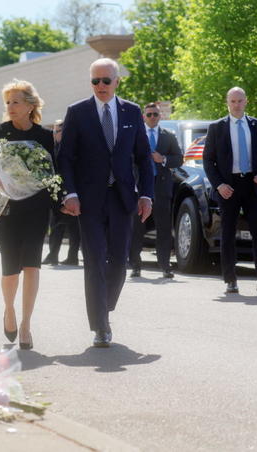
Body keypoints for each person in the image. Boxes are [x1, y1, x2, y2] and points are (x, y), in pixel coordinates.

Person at [59, 58, 153, 348]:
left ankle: (104, 305)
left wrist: (146, 194)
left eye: (106, 81)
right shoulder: (77, 112)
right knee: (95, 260)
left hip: (123, 198)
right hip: (89, 201)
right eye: (95, 81)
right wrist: (70, 193)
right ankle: (101, 325)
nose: (100, 86)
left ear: (116, 81)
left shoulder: (132, 111)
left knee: (119, 261)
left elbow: (142, 157)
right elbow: (65, 158)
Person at [0, 79, 54, 351]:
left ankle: (26, 325)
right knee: (10, 267)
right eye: (7, 102)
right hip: (7, 208)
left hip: (36, 208)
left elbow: (52, 173)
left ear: (30, 105)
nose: (10, 107)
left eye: (16, 101)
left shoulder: (44, 136)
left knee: (32, 264)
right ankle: (9, 310)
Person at [202, 87, 257, 293]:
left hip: (253, 185)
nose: (236, 105)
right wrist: (219, 185)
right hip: (229, 187)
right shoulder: (216, 127)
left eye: (240, 101)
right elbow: (208, 161)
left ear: (246, 102)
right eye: (233, 101)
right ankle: (230, 280)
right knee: (228, 233)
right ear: (227, 103)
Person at [129, 102, 183, 279]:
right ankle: (135, 265)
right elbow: (127, 157)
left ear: (160, 116)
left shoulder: (168, 136)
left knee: (164, 228)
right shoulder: (136, 134)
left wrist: (164, 159)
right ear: (144, 116)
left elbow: (179, 159)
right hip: (140, 187)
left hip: (161, 187)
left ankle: (165, 265)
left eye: (155, 114)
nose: (152, 117)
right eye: (149, 114)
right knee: (137, 227)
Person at [43, 119, 81, 266]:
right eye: (58, 131)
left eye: (63, 131)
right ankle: (53, 255)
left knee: (74, 229)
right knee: (56, 227)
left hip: (73, 193)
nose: (61, 134)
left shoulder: (74, 148)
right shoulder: (51, 149)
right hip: (57, 194)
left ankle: (73, 257)